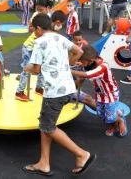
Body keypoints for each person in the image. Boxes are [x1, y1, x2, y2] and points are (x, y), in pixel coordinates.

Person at [23, 13, 96, 176]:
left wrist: (26, 67)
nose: (33, 32)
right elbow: (78, 51)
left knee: (48, 127)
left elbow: (36, 69)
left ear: (39, 29)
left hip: (54, 91)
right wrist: (67, 63)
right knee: (45, 124)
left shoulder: (39, 42)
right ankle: (44, 162)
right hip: (67, 87)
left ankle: (81, 154)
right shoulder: (59, 38)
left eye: (34, 29)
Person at [71, 45, 127, 137]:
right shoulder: (92, 63)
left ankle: (120, 120)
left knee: (109, 117)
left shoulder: (102, 67)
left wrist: (69, 71)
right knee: (101, 115)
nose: (79, 62)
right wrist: (82, 65)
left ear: (91, 60)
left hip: (110, 95)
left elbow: (87, 74)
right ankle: (116, 115)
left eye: (81, 61)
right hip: (100, 94)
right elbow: (86, 69)